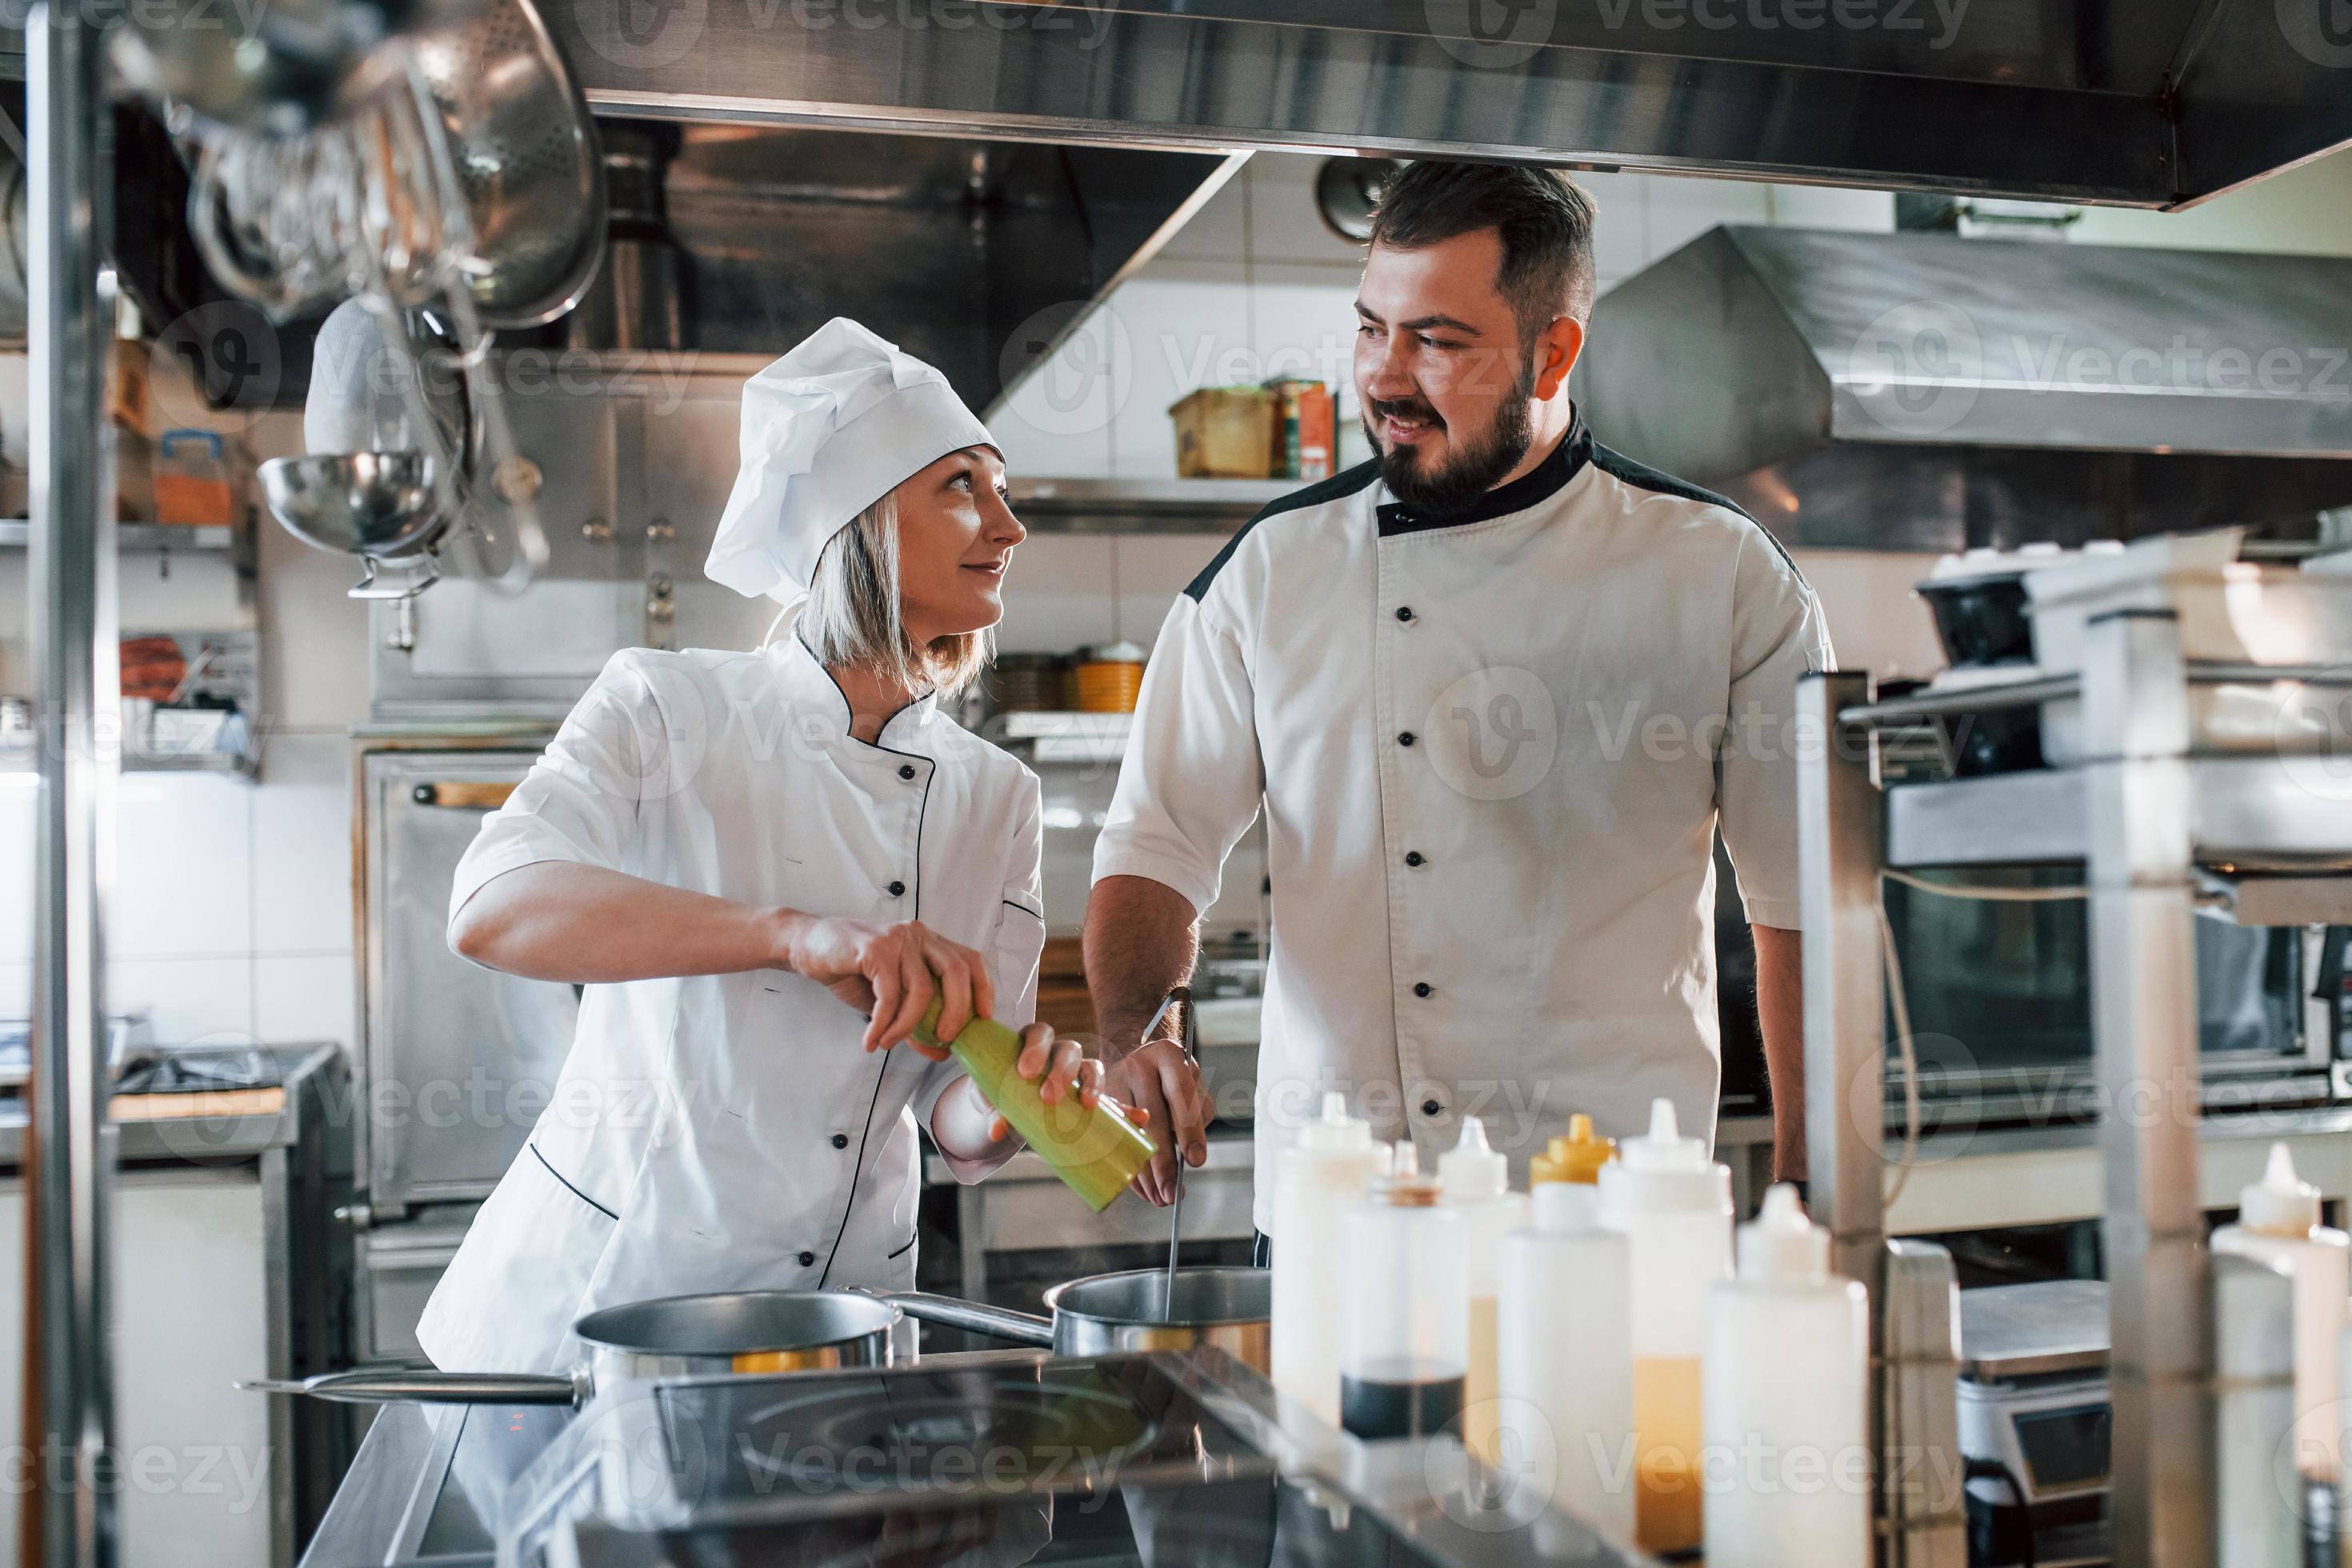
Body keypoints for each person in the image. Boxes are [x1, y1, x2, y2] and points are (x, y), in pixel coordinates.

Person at [1088, 162, 1830, 1242]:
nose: (1386, 379)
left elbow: (1801, 904)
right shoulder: (1268, 573)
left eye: (1437, 341)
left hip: (1609, 1218)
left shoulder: (1722, 573)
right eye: (1369, 330)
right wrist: (1134, 1029)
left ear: (1555, 351)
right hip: (1338, 1217)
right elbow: (1155, 842)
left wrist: (1813, 1184)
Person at [417, 318, 1141, 1373]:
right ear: (857, 526)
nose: (1010, 526)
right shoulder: (668, 707)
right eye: (961, 487)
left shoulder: (996, 795)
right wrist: (793, 935)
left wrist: (1018, 1101)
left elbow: (952, 1103)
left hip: (836, 1332)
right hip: (603, 1316)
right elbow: (492, 906)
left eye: (1002, 488)